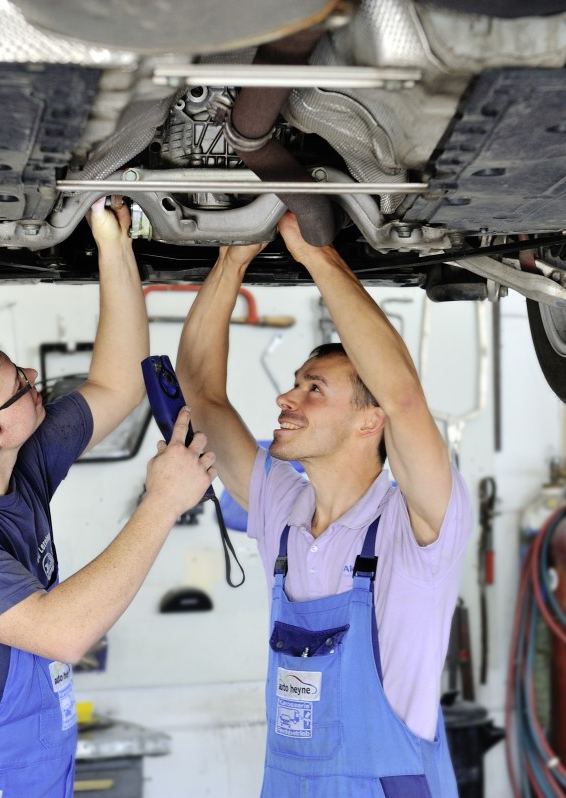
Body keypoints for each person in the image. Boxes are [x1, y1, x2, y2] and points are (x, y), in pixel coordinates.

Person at [0, 201, 217, 797]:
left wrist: (114, 243)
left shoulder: (6, 461)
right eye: (20, 385)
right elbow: (63, 634)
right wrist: (161, 503)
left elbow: (118, 384)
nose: (34, 377)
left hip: (25, 765)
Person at [176, 212, 474, 797]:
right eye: (296, 383)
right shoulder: (281, 514)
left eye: (315, 388)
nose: (286, 398)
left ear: (371, 420)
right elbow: (201, 390)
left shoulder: (415, 528)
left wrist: (319, 256)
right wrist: (231, 260)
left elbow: (404, 396)